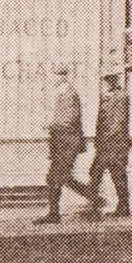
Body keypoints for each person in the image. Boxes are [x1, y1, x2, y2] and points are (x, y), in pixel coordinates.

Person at [34, 65, 88, 225]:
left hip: (68, 144)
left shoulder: (70, 94)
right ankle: (94, 197)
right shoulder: (62, 94)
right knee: (61, 177)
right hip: (62, 144)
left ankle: (54, 214)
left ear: (63, 77)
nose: (53, 79)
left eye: (55, 76)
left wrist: (50, 125)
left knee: (54, 178)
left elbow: (70, 120)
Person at [87, 67, 130, 217]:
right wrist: (98, 141)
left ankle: (123, 206)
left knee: (118, 175)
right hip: (105, 144)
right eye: (106, 79)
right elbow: (100, 121)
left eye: (109, 79)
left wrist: (106, 140)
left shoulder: (121, 96)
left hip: (115, 144)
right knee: (95, 173)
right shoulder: (106, 96)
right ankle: (94, 205)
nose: (107, 82)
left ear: (115, 80)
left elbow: (119, 122)